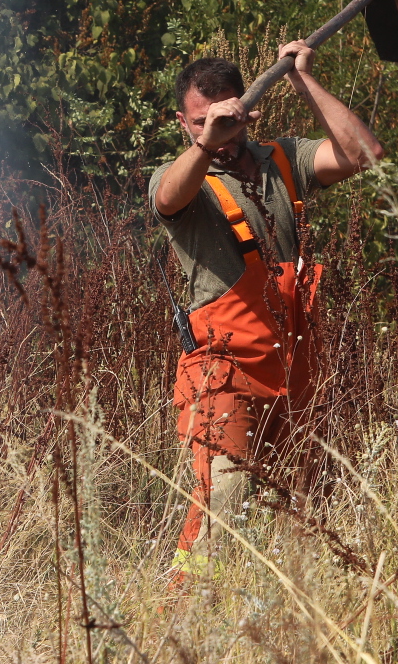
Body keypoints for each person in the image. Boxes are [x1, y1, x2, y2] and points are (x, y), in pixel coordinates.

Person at [150, 41, 383, 580]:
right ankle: (181, 616)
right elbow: (167, 199)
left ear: (250, 110)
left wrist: (304, 81)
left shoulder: (282, 158)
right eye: (201, 121)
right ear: (183, 121)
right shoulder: (183, 174)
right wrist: (208, 143)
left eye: (228, 116)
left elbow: (363, 153)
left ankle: (268, 635)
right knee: (224, 502)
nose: (217, 130)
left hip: (295, 371)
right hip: (223, 371)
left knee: (297, 514)